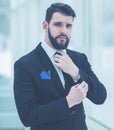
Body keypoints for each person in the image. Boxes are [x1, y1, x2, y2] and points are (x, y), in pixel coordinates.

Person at [14, 2, 107, 130]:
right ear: (45, 25)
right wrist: (68, 101)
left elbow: (100, 97)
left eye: (68, 26)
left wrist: (76, 72)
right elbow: (28, 116)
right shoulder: (25, 65)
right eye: (58, 24)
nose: (64, 30)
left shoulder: (79, 59)